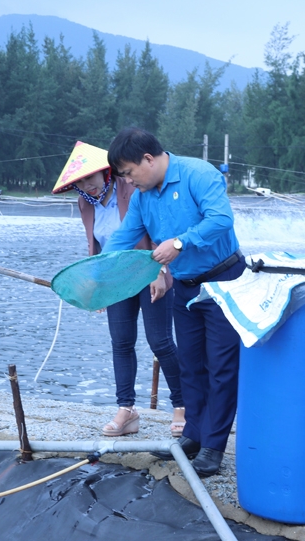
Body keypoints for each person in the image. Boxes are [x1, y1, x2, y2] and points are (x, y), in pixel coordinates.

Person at [103, 127, 244, 477]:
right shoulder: (142, 196)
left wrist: (179, 243)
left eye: (129, 172)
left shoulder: (199, 174)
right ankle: (193, 436)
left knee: (221, 367)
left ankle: (214, 446)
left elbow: (221, 219)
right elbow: (124, 237)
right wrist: (93, 272)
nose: (128, 181)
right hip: (185, 286)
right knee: (190, 364)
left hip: (223, 281)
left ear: (148, 159)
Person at [52, 141, 185, 437]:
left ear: (106, 172)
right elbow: (97, 247)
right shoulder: (85, 202)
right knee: (121, 342)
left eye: (91, 177)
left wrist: (159, 271)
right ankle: (127, 410)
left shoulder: (133, 188)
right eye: (80, 181)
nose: (87, 184)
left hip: (150, 270)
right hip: (116, 278)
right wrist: (95, 284)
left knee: (160, 341)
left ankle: (182, 405)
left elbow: (156, 231)